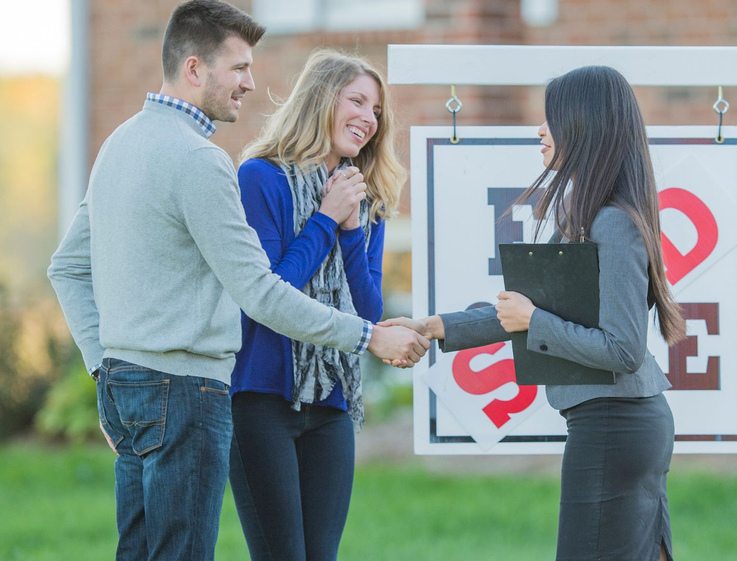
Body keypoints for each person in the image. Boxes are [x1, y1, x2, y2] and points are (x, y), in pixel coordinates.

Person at [47, 2, 427, 559]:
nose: (252, 83)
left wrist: (105, 369)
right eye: (240, 68)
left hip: (134, 384)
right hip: (192, 389)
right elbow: (260, 292)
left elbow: (66, 267)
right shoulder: (209, 163)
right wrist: (369, 334)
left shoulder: (119, 144)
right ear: (195, 69)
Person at [383, 65, 686, 561]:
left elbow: (624, 349)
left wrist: (535, 322)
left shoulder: (613, 223)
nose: (539, 131)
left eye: (552, 120)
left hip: (615, 424)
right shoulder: (594, 216)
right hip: (617, 423)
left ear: (585, 127)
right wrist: (433, 327)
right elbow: (524, 312)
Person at [226, 49, 404, 560]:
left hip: (330, 401)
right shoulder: (260, 178)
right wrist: (325, 220)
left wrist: (351, 229)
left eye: (376, 111)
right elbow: (269, 294)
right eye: (357, 101)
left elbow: (368, 312)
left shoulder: (365, 199)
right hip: (260, 398)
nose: (369, 119)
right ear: (322, 99)